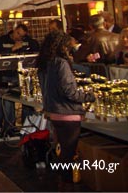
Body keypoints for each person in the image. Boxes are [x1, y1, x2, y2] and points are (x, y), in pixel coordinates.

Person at [38, 30, 96, 191]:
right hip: (68, 113)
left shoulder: (44, 63)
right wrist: (89, 96)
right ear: (62, 45)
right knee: (68, 153)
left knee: (63, 151)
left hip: (54, 112)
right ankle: (67, 184)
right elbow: (69, 91)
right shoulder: (61, 63)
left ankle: (62, 182)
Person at [0, 24, 39, 134]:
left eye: (22, 36)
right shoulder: (2, 41)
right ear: (14, 30)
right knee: (8, 101)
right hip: (6, 76)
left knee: (27, 101)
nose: (19, 37)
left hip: (23, 76)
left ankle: (26, 128)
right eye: (18, 33)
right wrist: (13, 49)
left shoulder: (28, 42)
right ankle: (10, 128)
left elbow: (35, 52)